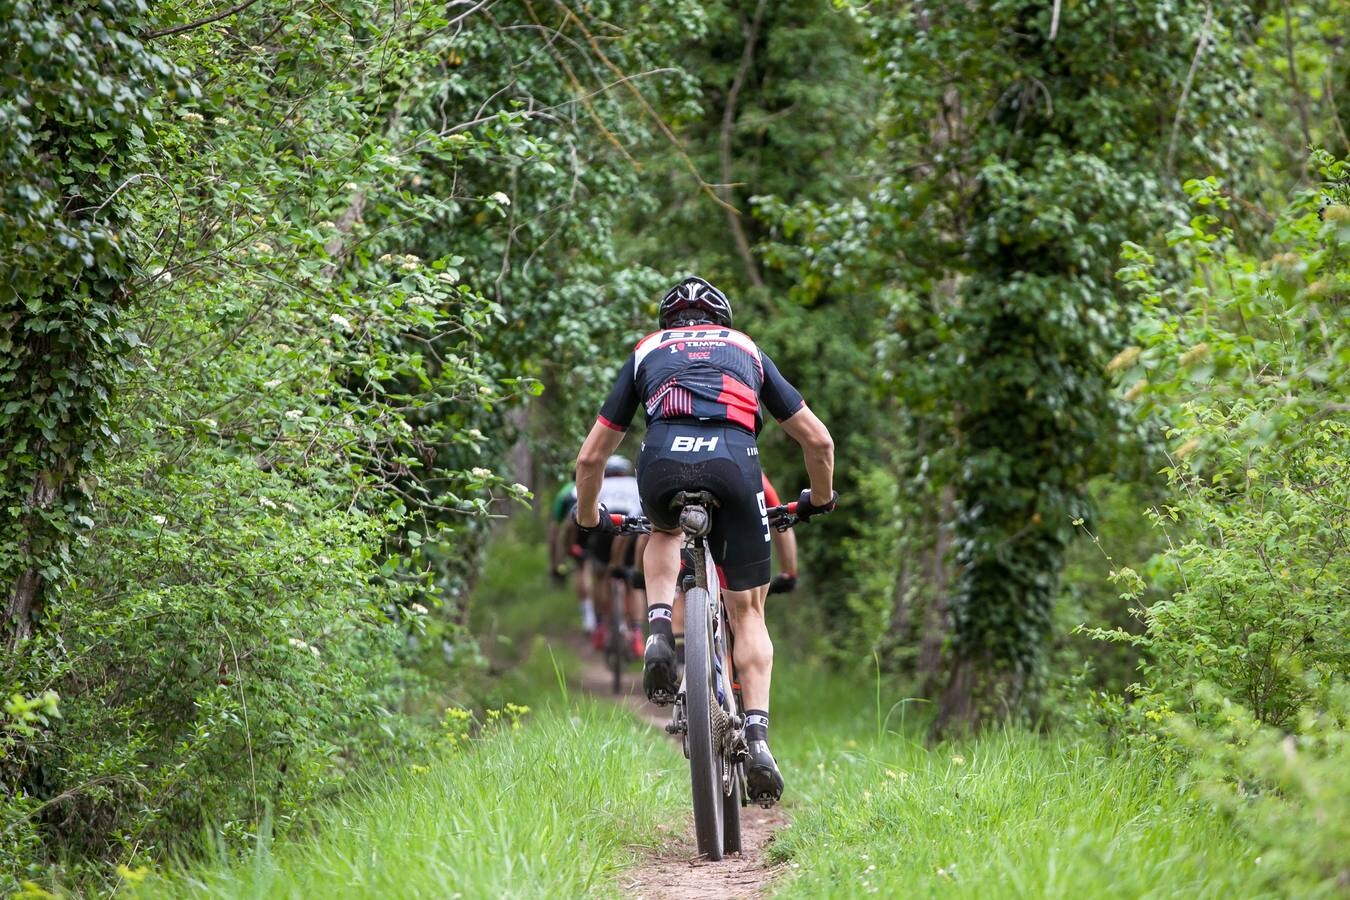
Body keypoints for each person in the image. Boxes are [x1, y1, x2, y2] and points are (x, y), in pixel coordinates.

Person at [572, 276, 836, 806]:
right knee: (749, 614)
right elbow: (818, 440)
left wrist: (588, 517)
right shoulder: (747, 350)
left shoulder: (648, 349)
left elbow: (591, 457)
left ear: (669, 322)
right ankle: (758, 737)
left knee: (665, 530)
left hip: (664, 461)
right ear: (723, 320)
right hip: (736, 467)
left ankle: (660, 629)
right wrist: (820, 499)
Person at [587, 455, 645, 657]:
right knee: (633, 581)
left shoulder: (600, 483)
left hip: (606, 528)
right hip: (633, 527)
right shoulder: (635, 484)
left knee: (601, 575)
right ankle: (637, 632)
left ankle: (601, 625)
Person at [547, 479, 595, 634]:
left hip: (573, 529)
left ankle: (588, 617)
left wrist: (555, 562)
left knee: (582, 569)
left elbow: (555, 527)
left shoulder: (564, 492)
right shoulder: (598, 483)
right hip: (595, 527)